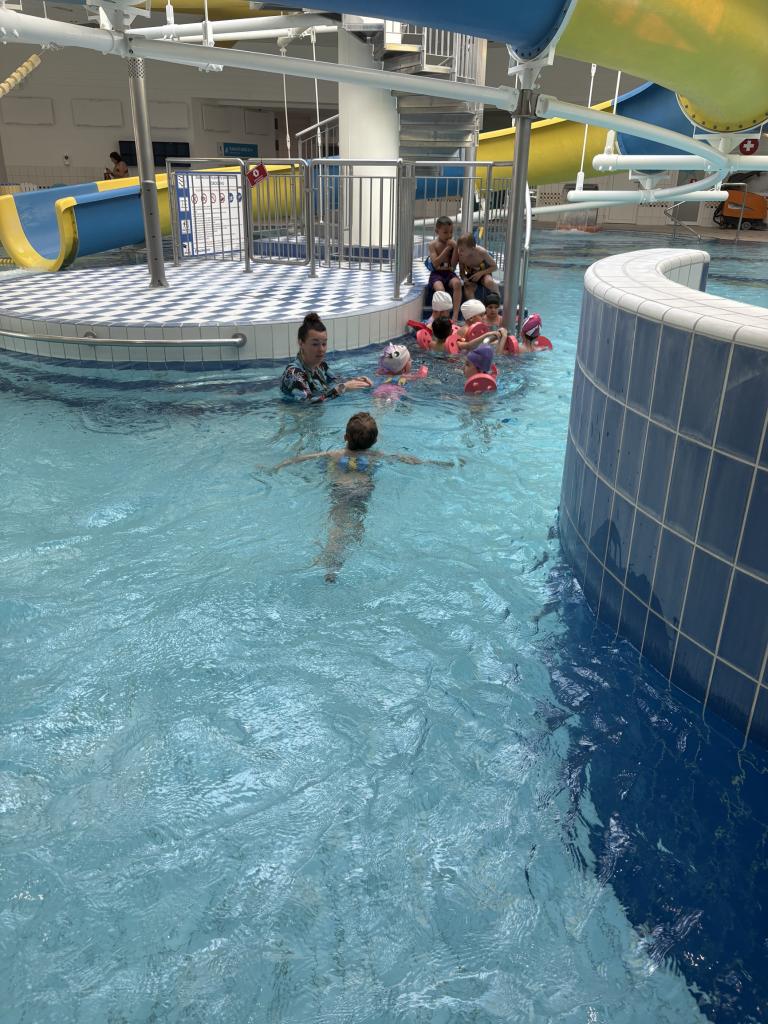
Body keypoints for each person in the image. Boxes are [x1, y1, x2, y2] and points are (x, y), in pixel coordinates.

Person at [273, 412, 452, 581]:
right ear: (375, 441)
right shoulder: (375, 455)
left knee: (337, 526)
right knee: (358, 523)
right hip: (363, 489)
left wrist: (279, 465)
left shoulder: (334, 454)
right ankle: (348, 553)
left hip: (341, 489)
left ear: (345, 437)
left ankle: (331, 566)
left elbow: (301, 458)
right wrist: (434, 462)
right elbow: (405, 459)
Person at [280, 312, 372, 402]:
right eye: (315, 344)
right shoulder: (294, 373)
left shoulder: (320, 366)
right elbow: (309, 402)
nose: (321, 349)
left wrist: (355, 381)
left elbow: (335, 380)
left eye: (324, 344)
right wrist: (343, 388)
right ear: (301, 343)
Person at [427, 216, 462, 320]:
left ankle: (455, 315)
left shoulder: (453, 244)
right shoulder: (433, 245)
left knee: (457, 283)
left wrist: (455, 248)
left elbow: (453, 265)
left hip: (449, 274)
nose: (449, 235)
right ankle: (442, 315)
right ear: (437, 231)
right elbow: (435, 264)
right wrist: (447, 249)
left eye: (451, 232)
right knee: (440, 289)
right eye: (445, 232)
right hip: (436, 274)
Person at [456, 233, 499, 300]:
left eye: (462, 250)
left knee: (489, 282)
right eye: (458, 249)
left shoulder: (481, 252)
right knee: (467, 289)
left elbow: (495, 267)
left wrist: (480, 273)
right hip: (471, 276)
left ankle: (497, 298)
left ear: (472, 249)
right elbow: (462, 272)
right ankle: (474, 305)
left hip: (484, 273)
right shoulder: (461, 257)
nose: (459, 252)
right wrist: (464, 279)